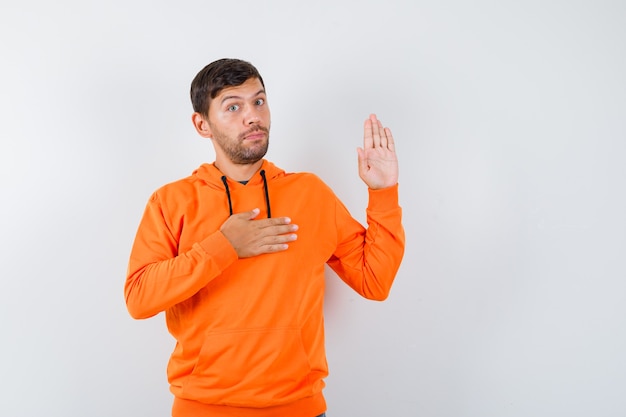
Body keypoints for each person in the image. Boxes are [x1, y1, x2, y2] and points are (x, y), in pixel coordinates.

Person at [124, 58, 405, 417]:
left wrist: (383, 194)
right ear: (202, 124)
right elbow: (139, 298)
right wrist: (224, 246)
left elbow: (374, 281)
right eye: (233, 107)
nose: (252, 116)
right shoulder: (172, 201)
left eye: (259, 101)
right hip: (203, 408)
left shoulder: (310, 193)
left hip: (299, 408)